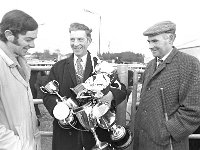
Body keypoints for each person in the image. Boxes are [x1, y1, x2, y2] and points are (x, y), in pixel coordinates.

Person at [43, 22, 127, 150]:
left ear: (89, 41)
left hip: (97, 133)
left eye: (80, 39)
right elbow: (47, 95)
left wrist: (111, 95)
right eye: (72, 39)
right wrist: (59, 111)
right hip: (67, 132)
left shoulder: (101, 66)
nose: (76, 44)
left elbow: (121, 90)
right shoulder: (58, 68)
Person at [133, 21, 200, 150]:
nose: (150, 46)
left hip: (169, 145)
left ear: (170, 39)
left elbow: (194, 109)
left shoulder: (189, 63)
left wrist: (168, 131)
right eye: (149, 42)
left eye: (155, 41)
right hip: (144, 141)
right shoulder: (150, 65)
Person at [0, 10, 41, 150]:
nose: (33, 45)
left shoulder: (21, 63)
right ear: (9, 35)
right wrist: (18, 146)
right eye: (28, 40)